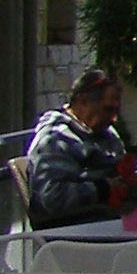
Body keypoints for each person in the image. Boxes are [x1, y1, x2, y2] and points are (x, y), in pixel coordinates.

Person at [28, 66, 128, 227]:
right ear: (83, 102)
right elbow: (52, 198)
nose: (114, 119)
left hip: (111, 220)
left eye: (116, 111)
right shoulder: (56, 138)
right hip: (75, 229)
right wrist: (104, 188)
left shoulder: (107, 133)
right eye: (108, 109)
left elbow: (123, 168)